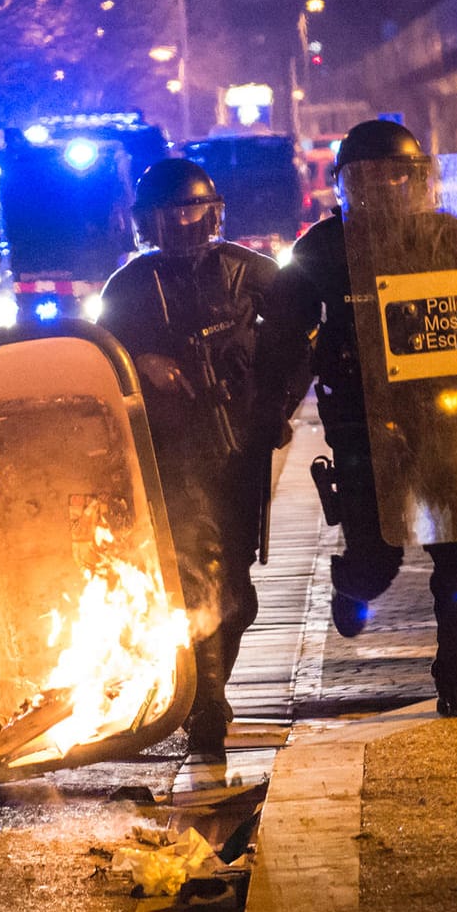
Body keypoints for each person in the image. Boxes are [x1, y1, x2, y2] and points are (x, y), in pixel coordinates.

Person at [256, 120, 457, 717]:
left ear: (419, 180)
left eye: (399, 175)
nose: (386, 187)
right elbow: (284, 343)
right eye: (369, 178)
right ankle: (352, 584)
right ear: (345, 185)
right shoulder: (320, 250)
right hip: (362, 422)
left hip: (446, 415)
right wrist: (271, 411)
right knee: (376, 558)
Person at [96, 159, 278, 757]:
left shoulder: (253, 274)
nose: (181, 219)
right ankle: (206, 703)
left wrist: (277, 407)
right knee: (197, 573)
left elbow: (300, 340)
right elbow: (100, 361)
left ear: (212, 209)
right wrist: (141, 364)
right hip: (173, 452)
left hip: (241, 446)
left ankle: (211, 688)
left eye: (190, 207)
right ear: (149, 219)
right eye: (169, 211)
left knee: (239, 590)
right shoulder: (127, 287)